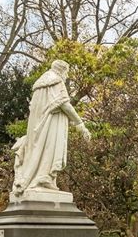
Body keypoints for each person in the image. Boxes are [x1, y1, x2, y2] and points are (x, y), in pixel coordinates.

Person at [11, 60, 91, 201]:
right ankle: (42, 177)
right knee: (48, 149)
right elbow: (65, 105)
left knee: (40, 151)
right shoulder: (56, 81)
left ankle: (42, 178)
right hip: (50, 126)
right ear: (61, 70)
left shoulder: (39, 86)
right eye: (66, 72)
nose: (66, 76)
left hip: (38, 126)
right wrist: (80, 123)